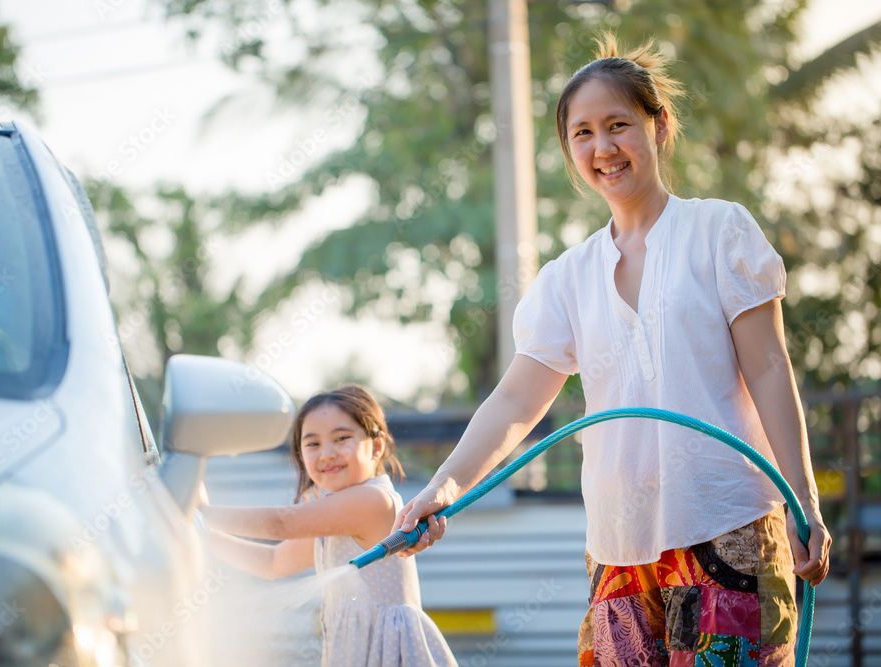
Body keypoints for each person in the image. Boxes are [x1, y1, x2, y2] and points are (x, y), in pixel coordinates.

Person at [394, 33, 832, 666]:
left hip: (729, 526)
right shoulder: (566, 279)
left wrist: (804, 498)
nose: (603, 148)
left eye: (618, 125)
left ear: (657, 127)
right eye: (583, 133)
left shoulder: (719, 231)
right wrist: (443, 484)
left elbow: (768, 367)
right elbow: (517, 398)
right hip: (620, 547)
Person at [201, 384, 458, 667]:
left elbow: (281, 522)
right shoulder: (335, 515)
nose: (326, 454)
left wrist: (198, 513)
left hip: (388, 652)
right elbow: (273, 561)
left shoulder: (372, 500)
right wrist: (203, 534)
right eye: (312, 443)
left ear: (377, 446)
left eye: (341, 438)